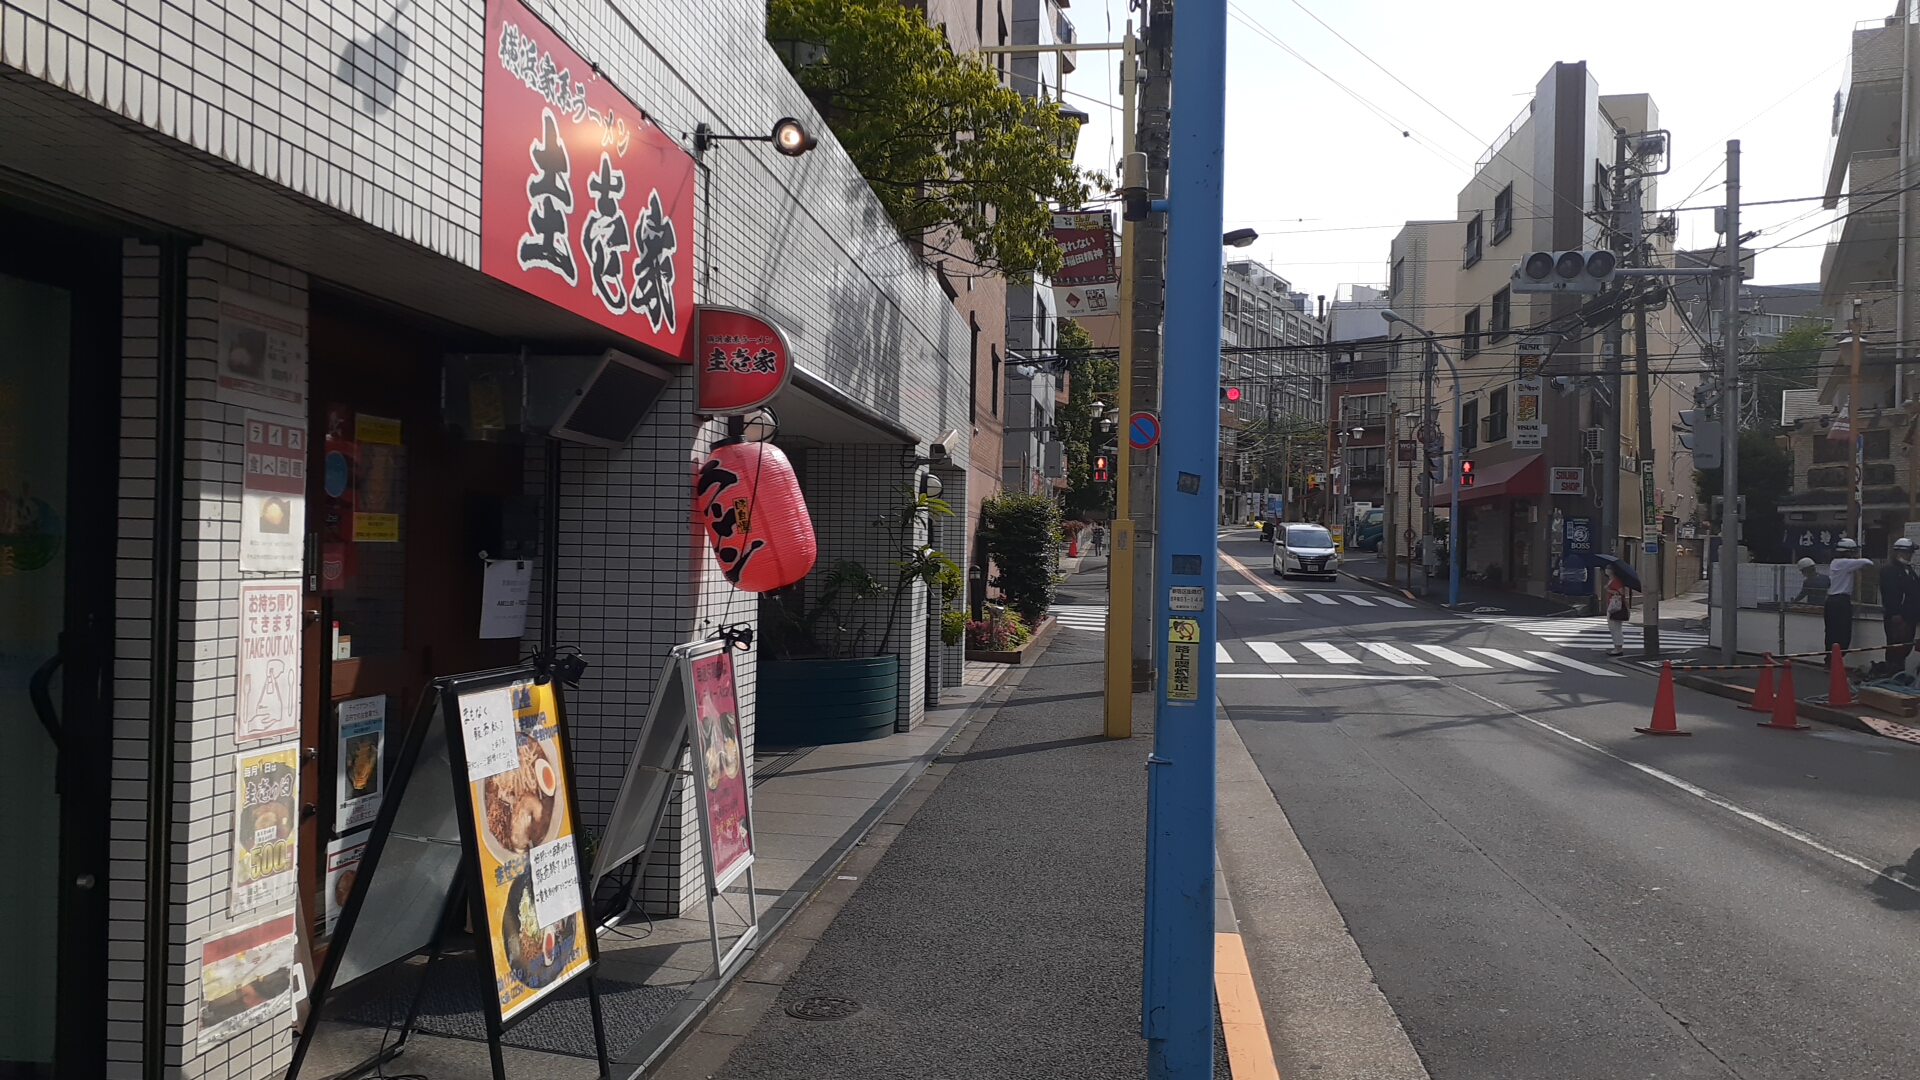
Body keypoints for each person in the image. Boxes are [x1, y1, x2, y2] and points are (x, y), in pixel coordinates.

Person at [1825, 538, 1877, 653]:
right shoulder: (1843, 563)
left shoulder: (1836, 562)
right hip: (1840, 601)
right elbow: (1866, 562)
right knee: (1842, 632)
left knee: (1832, 631)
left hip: (1833, 600)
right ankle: (1834, 658)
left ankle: (1830, 659)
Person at [1880, 538, 1920, 672]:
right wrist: (1895, 614)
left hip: (1910, 616)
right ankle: (1892, 674)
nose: (1910, 556)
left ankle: (1899, 674)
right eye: (1908, 552)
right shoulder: (1890, 570)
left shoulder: (1909, 570)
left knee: (1905, 647)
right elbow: (1889, 594)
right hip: (1898, 617)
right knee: (1896, 648)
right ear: (1898, 553)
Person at [1605, 565, 1633, 656]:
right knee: (1612, 627)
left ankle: (1618, 648)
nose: (1607, 570)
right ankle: (1616, 647)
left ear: (1612, 571)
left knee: (1616, 628)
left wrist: (1609, 590)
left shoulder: (1616, 580)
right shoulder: (1611, 580)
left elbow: (1621, 592)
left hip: (1616, 607)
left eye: (1609, 568)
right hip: (1611, 606)